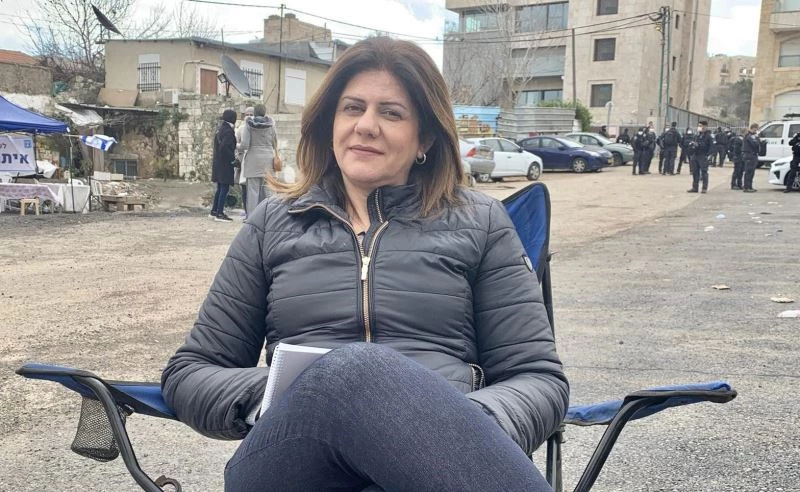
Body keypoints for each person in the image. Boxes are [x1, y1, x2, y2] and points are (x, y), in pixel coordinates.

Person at [162, 37, 569, 492]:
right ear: (330, 124)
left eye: (391, 113)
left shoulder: (481, 223)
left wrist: (452, 425)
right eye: (352, 108)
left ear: (425, 138)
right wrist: (280, 393)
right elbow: (191, 373)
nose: (366, 126)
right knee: (352, 371)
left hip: (435, 471)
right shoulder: (271, 225)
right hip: (293, 465)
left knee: (363, 382)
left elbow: (538, 379)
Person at [239, 103, 279, 216]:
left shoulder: (249, 125)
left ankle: (252, 218)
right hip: (268, 160)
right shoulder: (271, 125)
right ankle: (267, 216)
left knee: (253, 192)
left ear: (255, 113)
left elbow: (245, 145)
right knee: (268, 191)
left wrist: (237, 146)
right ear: (264, 112)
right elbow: (275, 142)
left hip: (253, 161)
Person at [210, 109, 237, 221]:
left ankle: (214, 210)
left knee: (220, 188)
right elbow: (225, 147)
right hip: (225, 164)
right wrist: (233, 160)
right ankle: (220, 213)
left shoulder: (220, 129)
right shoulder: (228, 131)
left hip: (218, 163)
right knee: (224, 188)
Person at [235, 106, 255, 218]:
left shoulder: (257, 127)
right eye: (247, 115)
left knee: (253, 190)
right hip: (243, 161)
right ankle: (247, 211)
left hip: (254, 163)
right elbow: (236, 142)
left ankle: (252, 213)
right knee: (244, 189)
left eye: (251, 114)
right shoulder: (241, 128)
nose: (249, 117)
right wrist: (240, 149)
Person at [687, 120, 713, 193]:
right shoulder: (697, 135)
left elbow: (712, 147)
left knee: (704, 172)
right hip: (695, 155)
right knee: (695, 172)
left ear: (705, 126)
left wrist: (708, 155)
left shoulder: (708, 136)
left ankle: (704, 188)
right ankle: (695, 187)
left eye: (701, 126)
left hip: (703, 155)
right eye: (699, 126)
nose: (699, 127)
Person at [742, 123, 761, 193]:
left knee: (752, 172)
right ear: (754, 128)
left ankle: (750, 186)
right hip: (749, 155)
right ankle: (746, 187)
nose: (756, 131)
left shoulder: (753, 136)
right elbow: (755, 144)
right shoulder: (749, 136)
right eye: (756, 129)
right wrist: (757, 138)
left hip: (753, 155)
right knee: (748, 172)